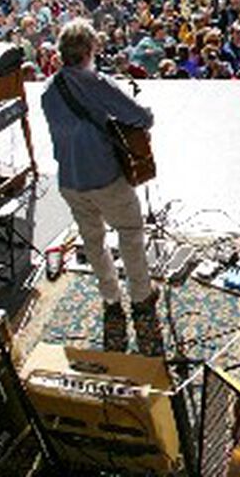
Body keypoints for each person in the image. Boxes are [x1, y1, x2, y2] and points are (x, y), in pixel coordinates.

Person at [42, 19, 161, 354]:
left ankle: (111, 298)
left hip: (69, 180)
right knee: (130, 231)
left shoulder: (49, 90)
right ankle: (140, 296)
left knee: (93, 240)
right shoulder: (96, 81)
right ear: (90, 51)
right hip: (104, 177)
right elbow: (141, 117)